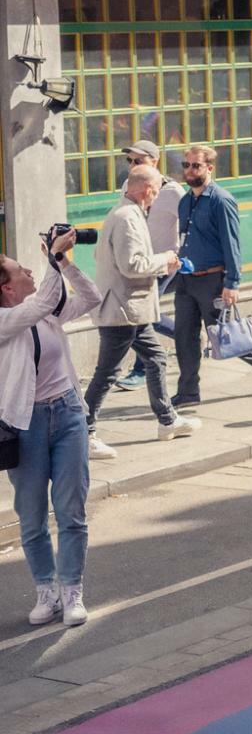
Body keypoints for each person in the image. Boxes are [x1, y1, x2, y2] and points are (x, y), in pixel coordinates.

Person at [3, 228, 103, 626]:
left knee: (71, 510)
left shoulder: (44, 310)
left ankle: (71, 589)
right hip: (24, 424)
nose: (27, 268)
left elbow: (92, 299)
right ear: (6, 289)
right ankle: (47, 591)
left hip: (67, 416)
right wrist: (51, 259)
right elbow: (44, 298)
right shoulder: (5, 318)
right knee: (31, 516)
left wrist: (64, 262)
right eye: (17, 269)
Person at [82, 166, 186, 452]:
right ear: (148, 190)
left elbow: (100, 254)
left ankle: (167, 419)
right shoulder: (128, 217)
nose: (157, 195)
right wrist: (165, 259)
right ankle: (84, 432)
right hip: (123, 309)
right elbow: (132, 265)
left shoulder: (123, 212)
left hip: (129, 307)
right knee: (108, 372)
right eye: (157, 190)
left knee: (156, 358)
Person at [172, 144, 252, 409]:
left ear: (209, 168)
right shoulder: (185, 201)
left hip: (213, 281)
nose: (190, 170)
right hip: (186, 280)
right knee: (184, 337)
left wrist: (232, 284)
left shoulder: (221, 200)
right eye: (186, 165)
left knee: (224, 336)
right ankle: (188, 392)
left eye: (196, 165)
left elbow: (232, 244)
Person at [104, 139, 182, 392]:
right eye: (130, 160)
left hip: (163, 261)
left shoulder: (172, 191)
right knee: (146, 316)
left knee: (150, 314)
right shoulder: (129, 185)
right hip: (139, 259)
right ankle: (185, 339)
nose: (132, 165)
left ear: (154, 161)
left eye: (138, 160)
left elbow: (191, 221)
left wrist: (179, 255)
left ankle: (181, 341)